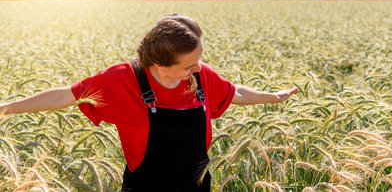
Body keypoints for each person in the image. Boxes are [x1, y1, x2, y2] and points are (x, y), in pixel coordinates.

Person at [0, 13, 298, 191]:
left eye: (199, 60)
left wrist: (273, 97)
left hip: (196, 184)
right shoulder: (120, 79)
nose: (199, 68)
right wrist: (5, 108)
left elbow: (235, 93)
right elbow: (65, 95)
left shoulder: (201, 75)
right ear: (159, 64)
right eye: (188, 65)